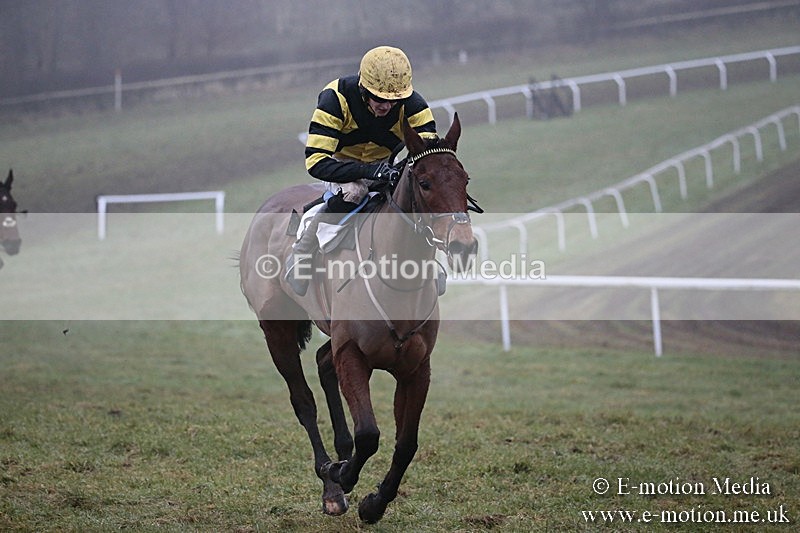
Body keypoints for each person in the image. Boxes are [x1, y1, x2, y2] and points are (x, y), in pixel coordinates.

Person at [286, 45, 438, 295]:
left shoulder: (414, 105)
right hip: (338, 167)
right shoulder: (335, 97)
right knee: (355, 192)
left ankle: (431, 265)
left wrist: (397, 171)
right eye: (379, 98)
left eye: (394, 100)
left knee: (415, 197)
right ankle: (303, 252)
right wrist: (368, 172)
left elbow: (428, 156)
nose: (386, 106)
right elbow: (315, 161)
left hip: (386, 167)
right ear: (363, 88)